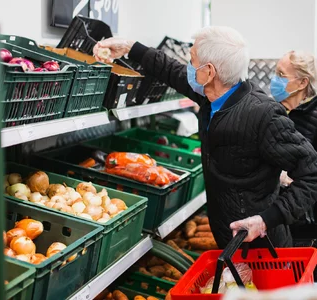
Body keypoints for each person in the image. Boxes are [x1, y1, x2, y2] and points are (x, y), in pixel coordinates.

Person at [93, 26, 317, 249]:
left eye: (192, 60)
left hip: (262, 249)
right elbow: (173, 71)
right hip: (228, 241)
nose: (189, 66)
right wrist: (130, 48)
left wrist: (266, 220)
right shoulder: (213, 97)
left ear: (209, 72)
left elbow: (312, 173)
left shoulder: (263, 115)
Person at [271, 51, 317, 230]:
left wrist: (287, 175)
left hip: (306, 218)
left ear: (302, 82)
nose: (275, 80)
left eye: (281, 75)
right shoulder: (287, 111)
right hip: (291, 211)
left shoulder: (309, 115)